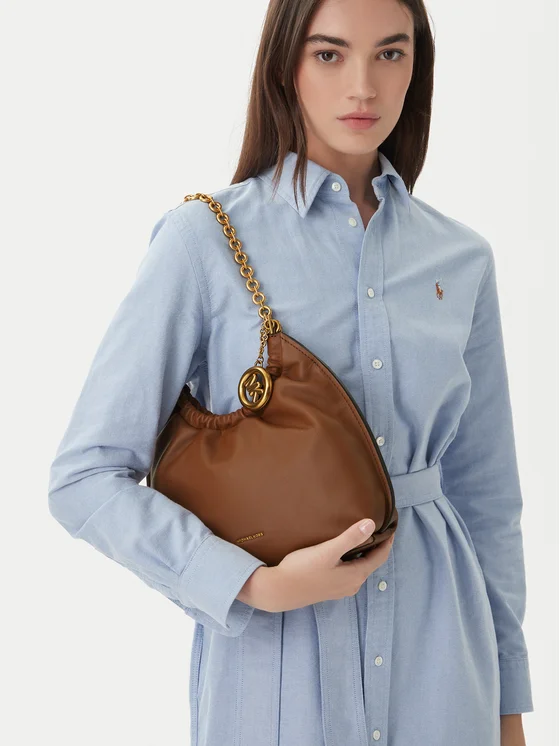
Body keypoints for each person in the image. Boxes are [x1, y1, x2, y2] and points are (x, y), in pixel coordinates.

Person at [47, 0, 534, 744]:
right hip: (276, 668)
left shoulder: (461, 259)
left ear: (418, 67)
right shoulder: (205, 241)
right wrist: (249, 584)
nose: (364, 86)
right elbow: (84, 477)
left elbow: (488, 499)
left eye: (391, 53)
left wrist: (507, 706)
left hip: (442, 665)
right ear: (286, 64)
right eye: (329, 54)